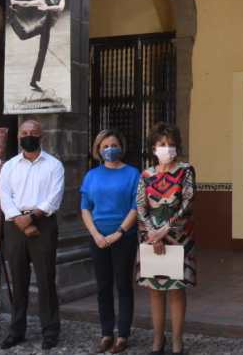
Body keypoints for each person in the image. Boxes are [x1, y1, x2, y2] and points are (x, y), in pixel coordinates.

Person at [0, 119, 64, 350]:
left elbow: (54, 197)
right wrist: (22, 221)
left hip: (43, 224)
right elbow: (5, 197)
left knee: (46, 280)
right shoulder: (9, 166)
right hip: (15, 226)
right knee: (18, 280)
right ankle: (17, 330)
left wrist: (32, 218)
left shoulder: (54, 165)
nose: (28, 136)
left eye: (33, 132)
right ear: (18, 136)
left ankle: (50, 331)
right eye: (24, 132)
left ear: (41, 136)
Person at [137, 123, 196, 355]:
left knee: (176, 290)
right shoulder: (146, 175)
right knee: (155, 290)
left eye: (171, 144)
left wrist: (166, 230)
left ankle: (177, 342)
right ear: (153, 147)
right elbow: (140, 206)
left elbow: (188, 203)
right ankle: (157, 340)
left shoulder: (185, 170)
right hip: (151, 239)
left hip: (179, 238)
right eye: (162, 144)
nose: (167, 148)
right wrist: (153, 234)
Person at [80, 129, 140, 354]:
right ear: (98, 149)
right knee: (103, 287)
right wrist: (95, 234)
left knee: (123, 285)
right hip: (98, 238)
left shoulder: (133, 174)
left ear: (121, 147)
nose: (109, 149)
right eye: (105, 146)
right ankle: (106, 333)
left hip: (124, 237)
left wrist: (120, 232)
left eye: (113, 145)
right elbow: (85, 208)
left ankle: (123, 335)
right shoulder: (91, 176)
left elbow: (136, 207)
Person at [8, 0, 67, 92]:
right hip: (42, 25)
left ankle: (34, 81)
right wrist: (15, 1)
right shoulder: (43, 1)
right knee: (24, 35)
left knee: (42, 55)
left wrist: (47, 8)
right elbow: (28, 3)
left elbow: (60, 7)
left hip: (47, 29)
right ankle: (12, 18)